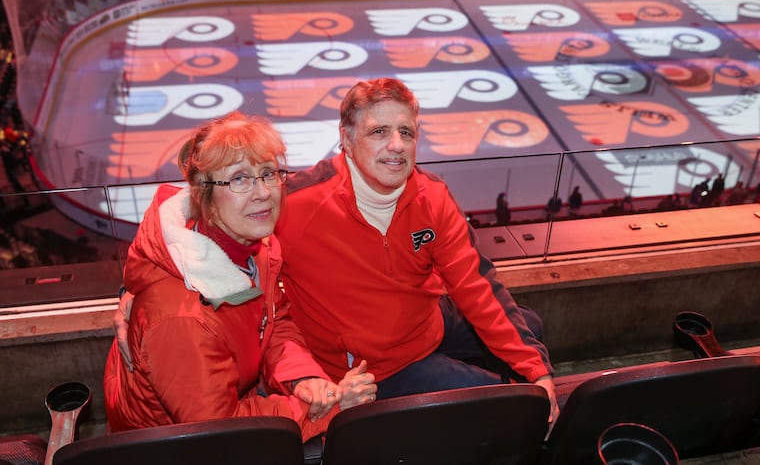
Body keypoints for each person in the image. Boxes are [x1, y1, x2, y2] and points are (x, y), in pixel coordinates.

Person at [116, 78, 559, 428]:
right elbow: (195, 225)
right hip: (368, 366)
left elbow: (475, 284)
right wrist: (139, 290)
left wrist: (535, 369)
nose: (397, 146)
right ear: (345, 139)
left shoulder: (432, 196)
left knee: (530, 331)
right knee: (508, 407)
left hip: (421, 322)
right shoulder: (291, 205)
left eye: (406, 132)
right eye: (379, 132)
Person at [103, 113, 376, 440]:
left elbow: (275, 322)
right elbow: (221, 429)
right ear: (203, 195)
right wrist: (330, 410)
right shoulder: (181, 318)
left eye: (268, 174)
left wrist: (303, 379)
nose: (262, 192)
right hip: (171, 450)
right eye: (239, 179)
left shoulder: (252, 245)